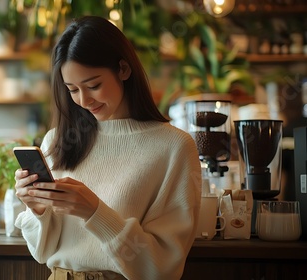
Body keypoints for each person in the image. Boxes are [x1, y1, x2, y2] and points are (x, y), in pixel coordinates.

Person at [14, 15, 201, 280]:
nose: (84, 100)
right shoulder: (57, 141)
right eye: (72, 90)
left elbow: (161, 267)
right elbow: (42, 252)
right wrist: (37, 209)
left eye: (94, 85)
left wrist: (95, 212)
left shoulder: (174, 147)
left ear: (123, 69)